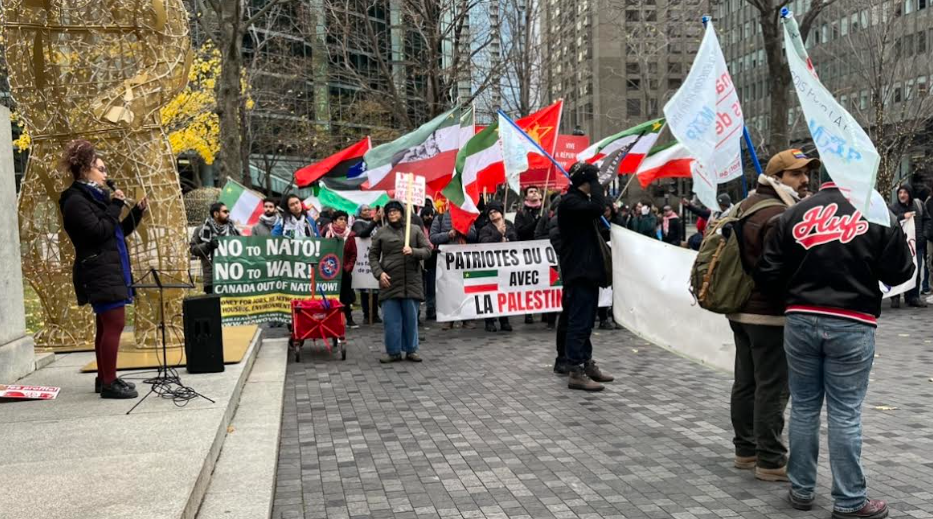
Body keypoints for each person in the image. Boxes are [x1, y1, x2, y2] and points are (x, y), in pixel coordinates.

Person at [756, 177, 914, 519]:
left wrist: (795, 288)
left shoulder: (794, 213)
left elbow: (767, 273)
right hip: (852, 319)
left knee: (804, 406)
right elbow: (901, 271)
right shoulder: (877, 212)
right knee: (845, 411)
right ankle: (850, 499)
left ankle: (801, 489)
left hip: (800, 316)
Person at [727, 149, 814, 483]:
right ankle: (771, 459)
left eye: (806, 173)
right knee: (772, 387)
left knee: (746, 383)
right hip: (768, 314)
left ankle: (745, 451)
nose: (804, 180)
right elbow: (777, 271)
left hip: (739, 309)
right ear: (777, 178)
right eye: (796, 174)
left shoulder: (746, 204)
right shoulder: (779, 214)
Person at [58, 140, 148, 399]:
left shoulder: (93, 198)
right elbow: (98, 233)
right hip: (99, 270)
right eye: (101, 169)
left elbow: (115, 232)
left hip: (109, 267)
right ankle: (109, 382)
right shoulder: (75, 200)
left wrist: (135, 213)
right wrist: (116, 205)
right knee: (115, 324)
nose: (106, 174)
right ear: (86, 170)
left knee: (106, 326)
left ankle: (104, 377)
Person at [555, 163, 614, 391]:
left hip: (587, 271)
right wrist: (597, 183)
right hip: (579, 271)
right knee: (578, 322)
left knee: (586, 320)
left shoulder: (578, 201)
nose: (596, 185)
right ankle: (576, 370)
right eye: (594, 181)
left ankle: (586, 363)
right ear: (585, 181)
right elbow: (599, 207)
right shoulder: (570, 202)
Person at [370, 200, 432, 363]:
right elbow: (373, 256)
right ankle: (393, 352)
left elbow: (428, 251)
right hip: (389, 282)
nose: (392, 214)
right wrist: (379, 273)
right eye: (389, 212)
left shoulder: (415, 230)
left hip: (411, 281)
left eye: (396, 211)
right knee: (391, 320)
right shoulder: (381, 232)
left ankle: (411, 350)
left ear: (402, 213)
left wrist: (413, 251)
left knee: (411, 319)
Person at [430, 206, 478, 330]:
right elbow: (433, 237)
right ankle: (448, 319)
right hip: (447, 261)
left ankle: (467, 318)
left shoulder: (467, 216)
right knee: (447, 289)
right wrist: (448, 234)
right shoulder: (440, 218)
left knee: (465, 288)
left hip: (464, 260)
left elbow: (474, 235)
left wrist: (463, 230)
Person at [478, 201, 516, 333]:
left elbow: (517, 241)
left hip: (506, 265)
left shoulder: (509, 225)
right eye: (490, 213)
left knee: (504, 293)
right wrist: (498, 234)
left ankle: (504, 320)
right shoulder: (486, 228)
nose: (493, 214)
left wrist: (508, 240)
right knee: (490, 293)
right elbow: (483, 243)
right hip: (491, 266)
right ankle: (489, 321)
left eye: (495, 211)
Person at [888, 185, 928, 308]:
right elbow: (890, 222)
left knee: (915, 270)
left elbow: (927, 219)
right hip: (899, 246)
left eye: (905, 192)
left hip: (917, 245)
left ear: (909, 194)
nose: (902, 195)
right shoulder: (893, 208)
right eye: (900, 192)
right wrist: (902, 217)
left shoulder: (918, 205)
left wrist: (924, 234)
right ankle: (895, 297)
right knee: (897, 271)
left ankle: (913, 297)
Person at [191, 202, 240, 294]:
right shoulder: (201, 230)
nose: (228, 214)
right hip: (212, 279)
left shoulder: (233, 229)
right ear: (216, 214)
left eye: (228, 211)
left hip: (232, 277)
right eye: (225, 212)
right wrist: (208, 245)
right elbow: (193, 249)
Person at [324, 210, 358, 328]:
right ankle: (331, 319)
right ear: (334, 221)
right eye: (340, 219)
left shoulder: (350, 235)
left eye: (345, 219)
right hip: (330, 270)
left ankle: (348, 319)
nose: (343, 222)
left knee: (346, 296)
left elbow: (353, 254)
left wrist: (348, 268)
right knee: (331, 295)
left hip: (344, 271)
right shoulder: (326, 232)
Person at [514, 186, 543, 324]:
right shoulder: (521, 213)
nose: (534, 193)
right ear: (526, 197)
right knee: (529, 282)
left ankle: (546, 311)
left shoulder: (545, 211)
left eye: (536, 191)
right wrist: (535, 223)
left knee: (544, 280)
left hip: (543, 252)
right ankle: (528, 311)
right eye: (531, 192)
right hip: (527, 252)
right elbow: (520, 231)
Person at [353, 205, 383, 324]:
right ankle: (367, 315)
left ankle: (375, 314)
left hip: (375, 257)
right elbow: (363, 234)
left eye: (369, 209)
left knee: (375, 288)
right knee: (365, 290)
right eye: (365, 210)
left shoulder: (374, 222)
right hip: (363, 260)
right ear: (359, 212)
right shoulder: (357, 223)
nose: (367, 212)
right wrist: (375, 221)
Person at [420, 205, 438, 322]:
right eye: (427, 215)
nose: (430, 217)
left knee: (431, 286)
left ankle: (431, 310)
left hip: (434, 258)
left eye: (431, 214)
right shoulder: (420, 227)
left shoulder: (434, 226)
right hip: (423, 258)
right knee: (424, 286)